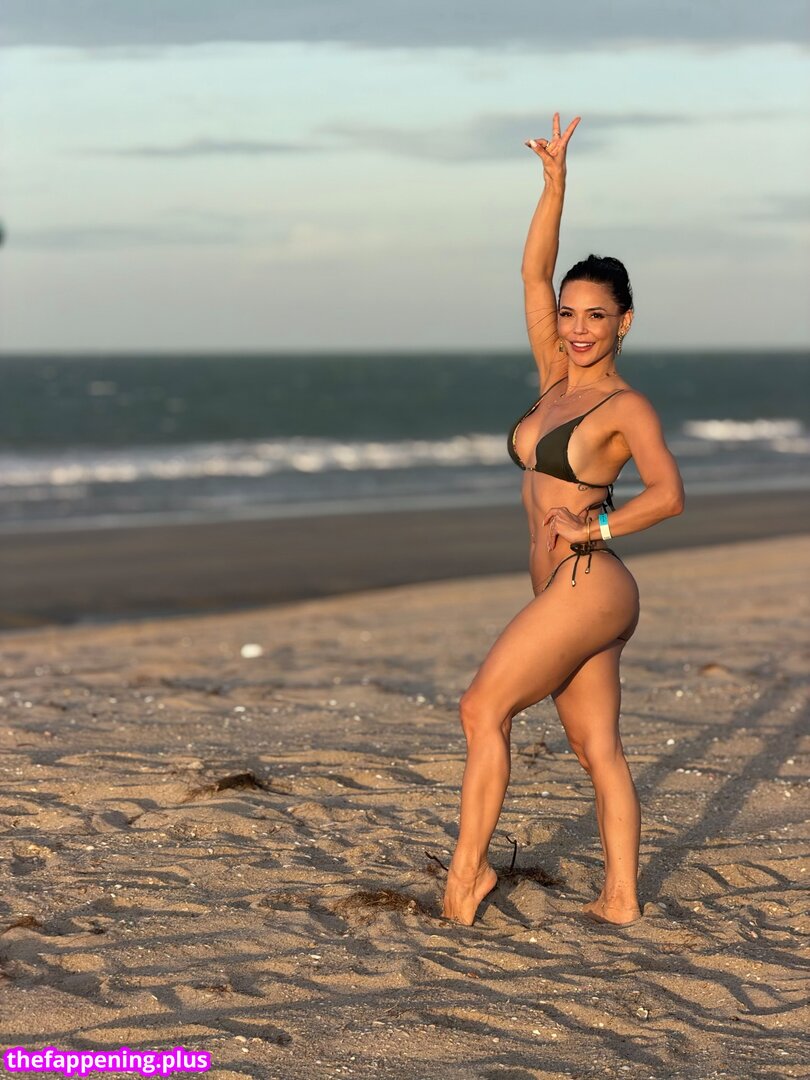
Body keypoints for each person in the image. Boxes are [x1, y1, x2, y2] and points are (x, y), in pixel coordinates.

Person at [441, 112, 685, 928]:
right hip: (561, 586)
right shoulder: (554, 375)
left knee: (481, 708)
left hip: (591, 581)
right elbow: (530, 272)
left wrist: (595, 531)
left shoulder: (625, 405)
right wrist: (554, 184)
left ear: (624, 322)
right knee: (594, 748)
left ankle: (466, 877)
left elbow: (668, 494)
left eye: (596, 316)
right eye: (571, 314)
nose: (578, 329)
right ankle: (621, 899)